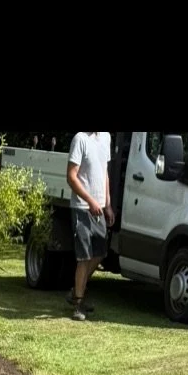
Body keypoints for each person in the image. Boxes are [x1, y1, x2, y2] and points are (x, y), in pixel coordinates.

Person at [66, 130, 113, 320]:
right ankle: (78, 304)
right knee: (84, 257)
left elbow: (104, 173)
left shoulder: (106, 137)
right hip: (82, 207)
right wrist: (90, 200)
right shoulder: (80, 139)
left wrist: (107, 204)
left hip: (99, 208)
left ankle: (75, 291)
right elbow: (71, 176)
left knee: (99, 253)